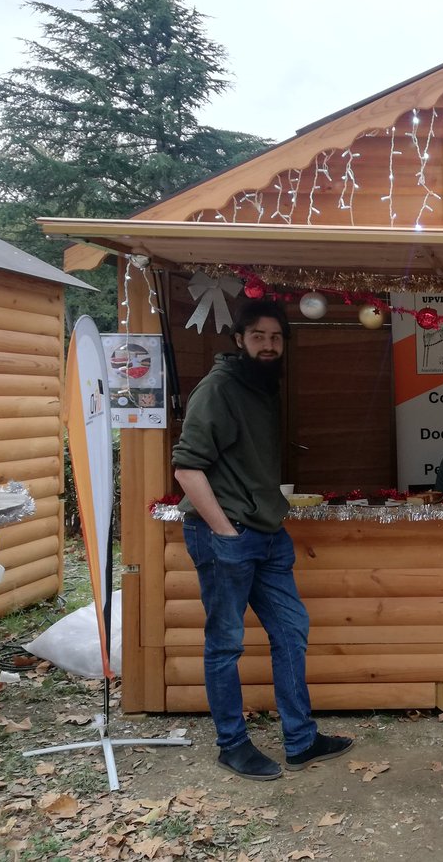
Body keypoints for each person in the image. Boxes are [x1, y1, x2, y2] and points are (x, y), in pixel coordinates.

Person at [172, 299, 352, 781]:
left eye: (275, 338)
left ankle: (301, 740)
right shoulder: (218, 389)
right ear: (239, 340)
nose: (268, 345)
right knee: (225, 644)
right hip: (225, 535)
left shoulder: (262, 386)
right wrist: (225, 532)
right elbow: (188, 468)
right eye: (258, 337)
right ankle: (232, 744)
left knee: (291, 631)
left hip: (269, 535)